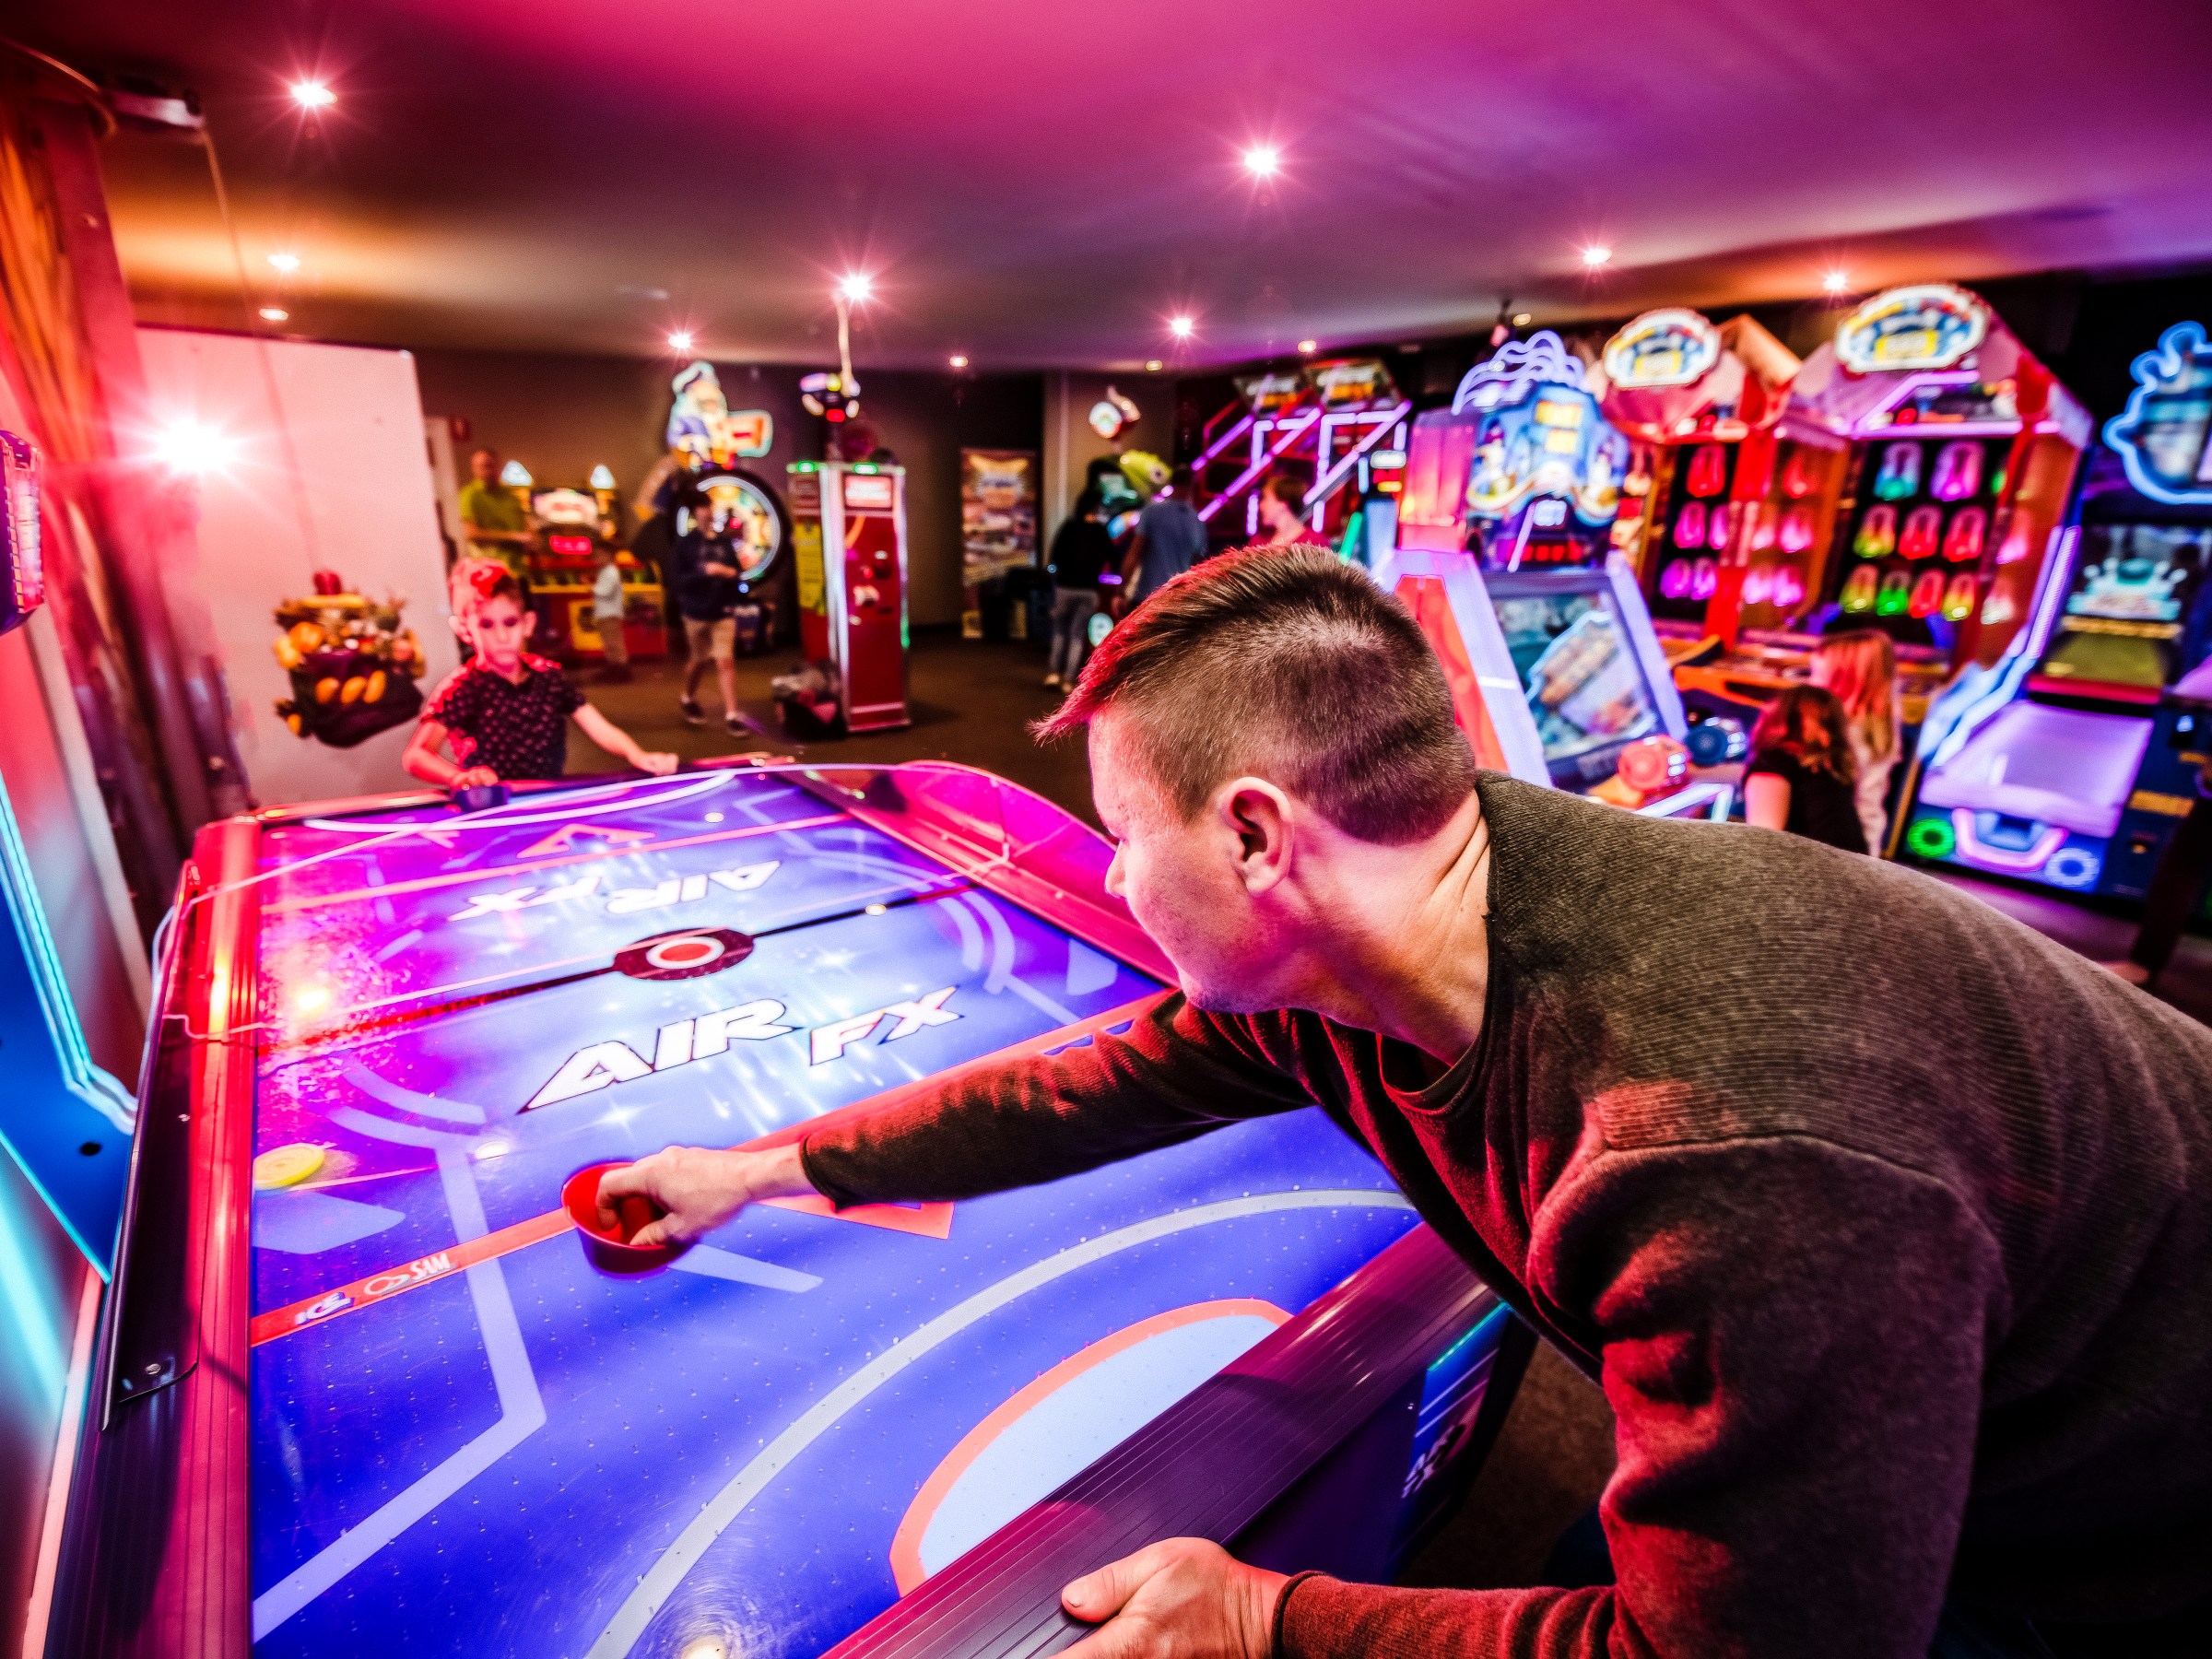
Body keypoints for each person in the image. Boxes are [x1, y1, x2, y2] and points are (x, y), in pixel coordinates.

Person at [604, 546, 2212, 1659]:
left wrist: (1265, 1617)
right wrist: (765, 1167)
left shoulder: (1722, 1149)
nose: (1105, 874)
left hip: (2122, 1532)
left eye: (1118, 833)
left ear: (1254, 839)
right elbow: (1097, 1082)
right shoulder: (1401, 925)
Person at [404, 566, 675, 786]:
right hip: (494, 808)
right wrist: (459, 777)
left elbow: (599, 727)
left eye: (510, 622)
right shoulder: (461, 687)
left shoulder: (550, 676)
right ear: (465, 629)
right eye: (487, 624)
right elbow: (416, 755)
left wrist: (635, 753)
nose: (501, 636)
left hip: (549, 797)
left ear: (527, 624)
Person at [1742, 683, 1868, 853]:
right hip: (1853, 873)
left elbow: (1764, 846)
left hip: (1817, 876)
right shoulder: (1832, 771)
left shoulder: (1774, 762)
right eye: (1824, 721)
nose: (1826, 731)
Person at [1811, 628, 1902, 854]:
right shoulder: (1879, 723)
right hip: (1866, 837)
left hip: (1842, 843)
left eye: (1818, 676)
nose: (1812, 684)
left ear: (1844, 679)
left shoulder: (1846, 732)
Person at [666, 488, 747, 736]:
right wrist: (705, 572)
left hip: (722, 611)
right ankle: (688, 697)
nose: (707, 512)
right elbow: (677, 580)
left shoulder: (724, 543)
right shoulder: (686, 545)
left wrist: (728, 573)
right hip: (696, 612)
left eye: (709, 507)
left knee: (725, 661)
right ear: (694, 513)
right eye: (702, 508)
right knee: (698, 661)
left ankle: (732, 715)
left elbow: (736, 572)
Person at [1045, 488, 1114, 689]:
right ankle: (1068, 679)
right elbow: (1113, 555)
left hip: (1065, 587)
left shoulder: (1069, 527)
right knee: (1077, 634)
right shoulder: (1100, 531)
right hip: (1089, 590)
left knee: (1059, 631)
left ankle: (1052, 673)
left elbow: (1055, 555)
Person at [1117, 464, 1207, 615]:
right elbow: (1197, 566)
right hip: (1177, 603)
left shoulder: (1152, 512)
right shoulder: (1198, 522)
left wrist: (1120, 592)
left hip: (1147, 598)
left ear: (1171, 484)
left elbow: (1134, 553)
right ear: (1192, 486)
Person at [454, 446, 539, 579]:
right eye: (481, 466)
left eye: (490, 466)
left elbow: (526, 527)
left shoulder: (511, 496)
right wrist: (515, 537)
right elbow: (472, 534)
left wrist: (532, 540)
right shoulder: (470, 494)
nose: (487, 471)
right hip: (488, 573)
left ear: (498, 467)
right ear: (474, 469)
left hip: (518, 569)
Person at [589, 543, 631, 684]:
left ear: (609, 556)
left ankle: (621, 670)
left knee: (614, 643)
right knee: (610, 643)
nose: (596, 558)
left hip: (609, 614)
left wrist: (591, 588)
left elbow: (604, 591)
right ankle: (615, 668)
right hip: (605, 613)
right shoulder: (606, 571)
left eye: (599, 555)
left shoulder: (610, 571)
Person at [1255, 471, 1310, 547]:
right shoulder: (1258, 541)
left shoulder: (1314, 543)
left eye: (1265, 498)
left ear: (1283, 502)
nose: (1261, 505)